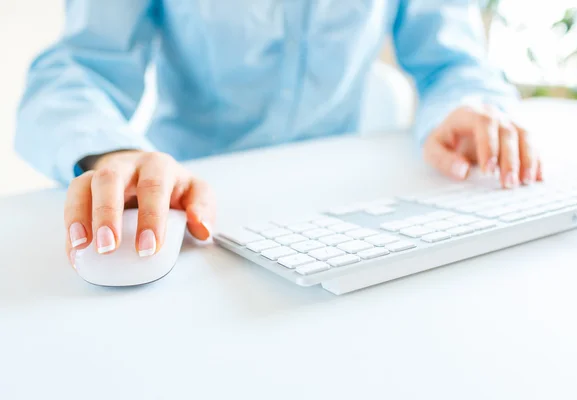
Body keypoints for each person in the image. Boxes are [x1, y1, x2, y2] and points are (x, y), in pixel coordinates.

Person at [15, 0, 541, 265]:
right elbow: (78, 69)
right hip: (190, 210)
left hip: (345, 207)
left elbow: (454, 61)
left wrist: (467, 104)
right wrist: (114, 151)